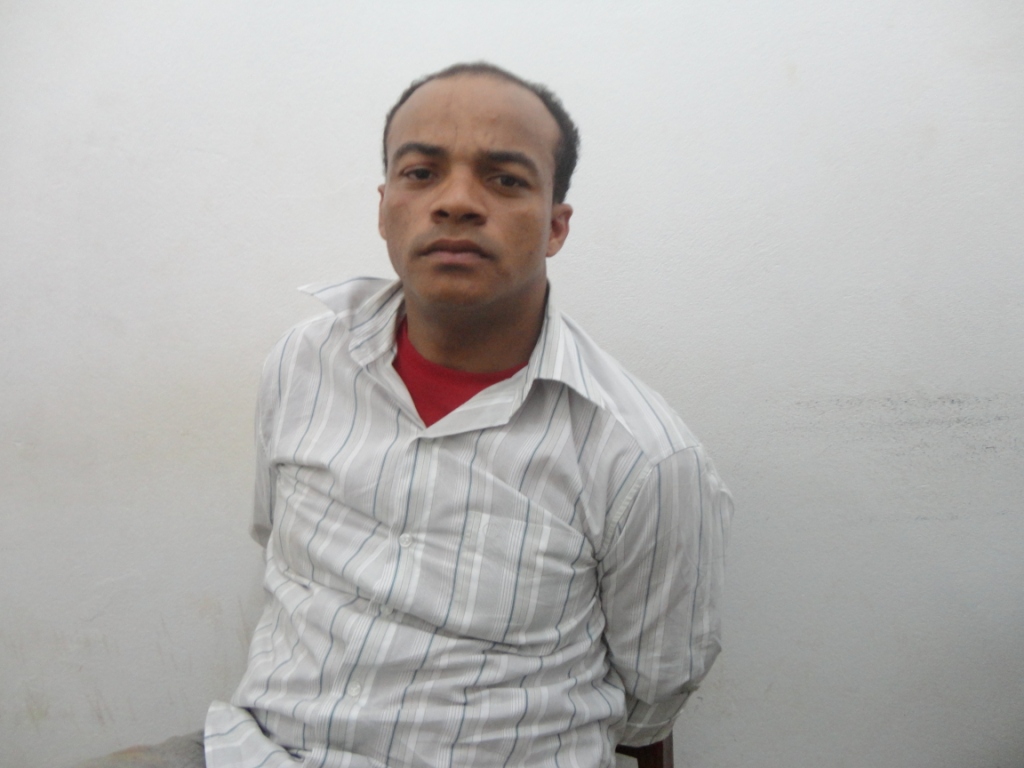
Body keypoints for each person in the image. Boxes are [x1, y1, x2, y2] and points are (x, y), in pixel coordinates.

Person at [78, 62, 732, 768]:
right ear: (385, 205)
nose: (456, 202)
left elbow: (652, 696)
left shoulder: (644, 456)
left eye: (505, 179)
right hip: (259, 751)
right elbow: (278, 548)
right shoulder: (303, 363)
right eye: (421, 173)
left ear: (555, 225)